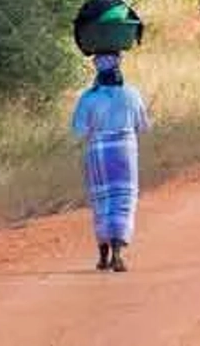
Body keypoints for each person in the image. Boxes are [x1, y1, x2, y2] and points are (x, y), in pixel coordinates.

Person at [71, 52, 150, 272]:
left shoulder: (88, 98)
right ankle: (117, 253)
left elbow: (79, 130)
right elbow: (143, 126)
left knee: (101, 202)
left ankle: (103, 257)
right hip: (125, 152)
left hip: (98, 154)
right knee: (123, 201)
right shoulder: (132, 94)